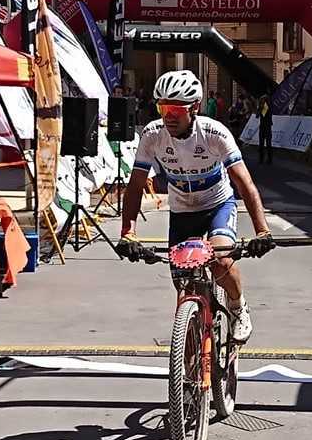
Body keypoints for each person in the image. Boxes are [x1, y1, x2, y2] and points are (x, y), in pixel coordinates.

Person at [117, 71, 276, 350]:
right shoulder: (153, 135)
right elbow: (135, 186)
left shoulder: (215, 133)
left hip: (217, 204)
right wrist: (128, 233)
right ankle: (190, 347)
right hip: (182, 211)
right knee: (183, 282)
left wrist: (262, 230)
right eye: (163, 108)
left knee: (220, 261)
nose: (168, 116)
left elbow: (246, 185)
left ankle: (238, 307)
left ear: (195, 107)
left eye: (175, 109)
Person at [255, 96, 274, 166]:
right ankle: (262, 158)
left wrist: (259, 108)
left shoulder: (266, 107)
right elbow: (257, 116)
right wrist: (259, 108)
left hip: (266, 126)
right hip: (263, 126)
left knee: (267, 143)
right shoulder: (263, 107)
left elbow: (262, 114)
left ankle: (268, 159)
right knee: (262, 143)